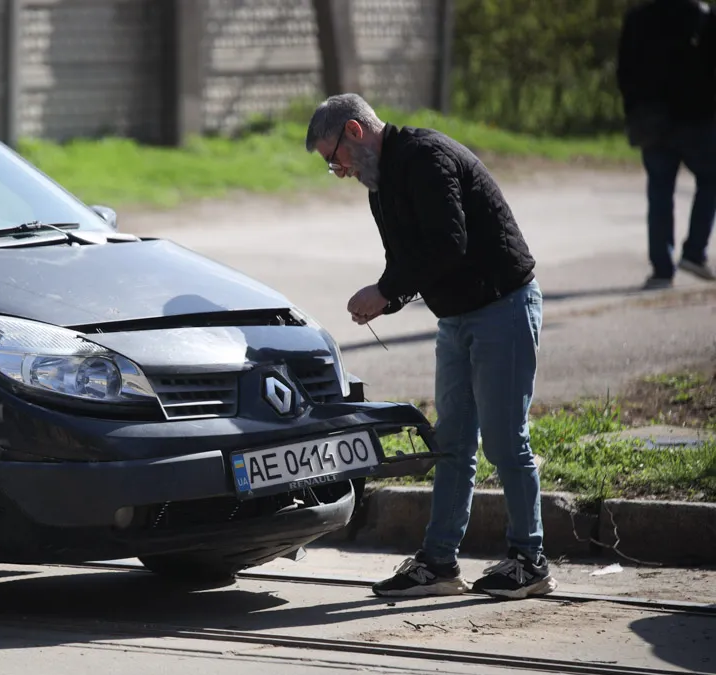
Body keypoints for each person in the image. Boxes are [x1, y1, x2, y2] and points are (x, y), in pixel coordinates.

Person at [305, 93, 556, 599]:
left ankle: (530, 561)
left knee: (506, 441)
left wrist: (385, 291)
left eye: (335, 159)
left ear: (355, 131)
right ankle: (439, 563)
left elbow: (448, 244)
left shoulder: (427, 158)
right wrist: (386, 298)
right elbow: (406, 261)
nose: (340, 171)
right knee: (451, 445)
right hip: (456, 317)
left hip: (502, 306)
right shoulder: (381, 186)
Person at [617, 0, 716, 288]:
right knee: (711, 179)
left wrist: (634, 107)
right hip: (696, 118)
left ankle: (662, 269)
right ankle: (694, 251)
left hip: (651, 118)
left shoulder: (638, 18)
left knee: (660, 190)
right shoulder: (701, 17)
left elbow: (624, 70)